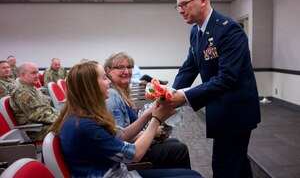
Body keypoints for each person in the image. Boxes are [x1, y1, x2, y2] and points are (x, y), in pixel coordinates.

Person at [165, 0, 261, 178]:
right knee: (238, 163)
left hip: (236, 111)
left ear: (202, 0)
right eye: (178, 6)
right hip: (219, 107)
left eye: (184, 4)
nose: (180, 10)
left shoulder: (229, 30)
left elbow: (228, 78)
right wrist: (170, 93)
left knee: (224, 167)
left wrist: (184, 96)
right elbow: (190, 65)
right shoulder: (196, 31)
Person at [48, 61, 202, 178]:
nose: (109, 82)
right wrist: (156, 119)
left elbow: (122, 136)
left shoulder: (80, 115)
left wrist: (150, 113)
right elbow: (135, 155)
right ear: (90, 87)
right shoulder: (84, 125)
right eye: (104, 78)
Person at [104, 52, 191, 169]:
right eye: (120, 67)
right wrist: (152, 131)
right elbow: (120, 138)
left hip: (137, 144)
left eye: (129, 67)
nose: (127, 71)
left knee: (175, 143)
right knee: (179, 150)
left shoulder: (121, 93)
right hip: (130, 154)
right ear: (108, 71)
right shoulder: (113, 96)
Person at [9, 62, 59, 141]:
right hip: (35, 130)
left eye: (37, 72)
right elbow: (37, 115)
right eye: (33, 73)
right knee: (69, 127)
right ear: (23, 75)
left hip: (44, 124)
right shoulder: (22, 92)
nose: (37, 76)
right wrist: (60, 118)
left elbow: (47, 108)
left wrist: (61, 115)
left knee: (72, 123)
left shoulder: (32, 88)